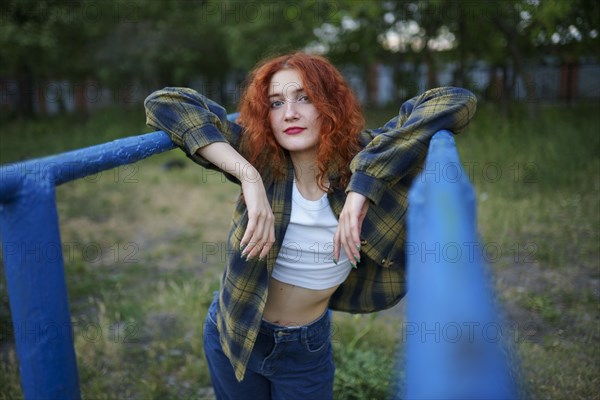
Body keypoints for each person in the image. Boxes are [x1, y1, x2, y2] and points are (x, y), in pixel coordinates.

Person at [144, 51, 477, 400]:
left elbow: (456, 100)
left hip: (305, 349)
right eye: (276, 103)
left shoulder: (366, 156)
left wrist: (363, 188)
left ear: (329, 104)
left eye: (305, 98)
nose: (290, 113)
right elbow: (164, 102)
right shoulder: (260, 157)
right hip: (235, 330)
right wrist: (248, 175)